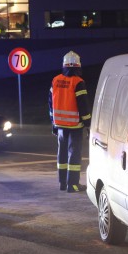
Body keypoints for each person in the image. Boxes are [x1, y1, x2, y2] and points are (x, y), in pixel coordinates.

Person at [49, 51, 92, 193]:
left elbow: (51, 104)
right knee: (74, 154)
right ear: (78, 66)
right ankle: (72, 185)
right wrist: (88, 123)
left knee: (61, 154)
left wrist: (53, 123)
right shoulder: (78, 82)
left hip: (59, 125)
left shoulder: (55, 80)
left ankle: (62, 183)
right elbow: (83, 105)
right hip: (75, 125)